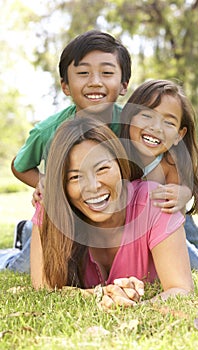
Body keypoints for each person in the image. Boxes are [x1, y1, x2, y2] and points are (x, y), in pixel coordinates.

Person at [1, 29, 131, 273]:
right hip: (67, 217)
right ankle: (21, 241)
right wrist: (45, 181)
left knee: (188, 253)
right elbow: (19, 166)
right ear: (65, 86)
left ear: (124, 84)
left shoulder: (133, 126)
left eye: (107, 73)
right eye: (83, 73)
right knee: (24, 266)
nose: (95, 81)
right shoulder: (48, 130)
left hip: (116, 217)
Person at [30, 117, 193, 308]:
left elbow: (180, 289)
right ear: (61, 186)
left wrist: (133, 308)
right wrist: (102, 294)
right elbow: (44, 288)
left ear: (120, 165)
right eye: (74, 177)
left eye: (102, 169)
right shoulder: (52, 207)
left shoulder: (155, 201)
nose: (92, 186)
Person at [120, 79, 198, 271]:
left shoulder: (170, 163)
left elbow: (176, 217)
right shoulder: (117, 157)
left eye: (168, 122)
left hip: (174, 223)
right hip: (140, 228)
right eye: (147, 115)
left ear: (179, 135)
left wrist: (183, 194)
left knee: (196, 263)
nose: (156, 127)